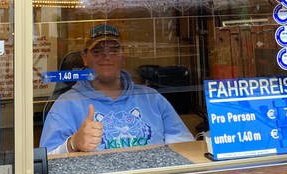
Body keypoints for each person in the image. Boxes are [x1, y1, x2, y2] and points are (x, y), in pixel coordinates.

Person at [39, 24, 194, 154]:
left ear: (123, 57)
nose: (106, 57)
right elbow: (46, 162)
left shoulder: (152, 98)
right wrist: (72, 144)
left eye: (113, 50)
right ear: (85, 58)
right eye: (97, 51)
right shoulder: (66, 105)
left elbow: (185, 147)